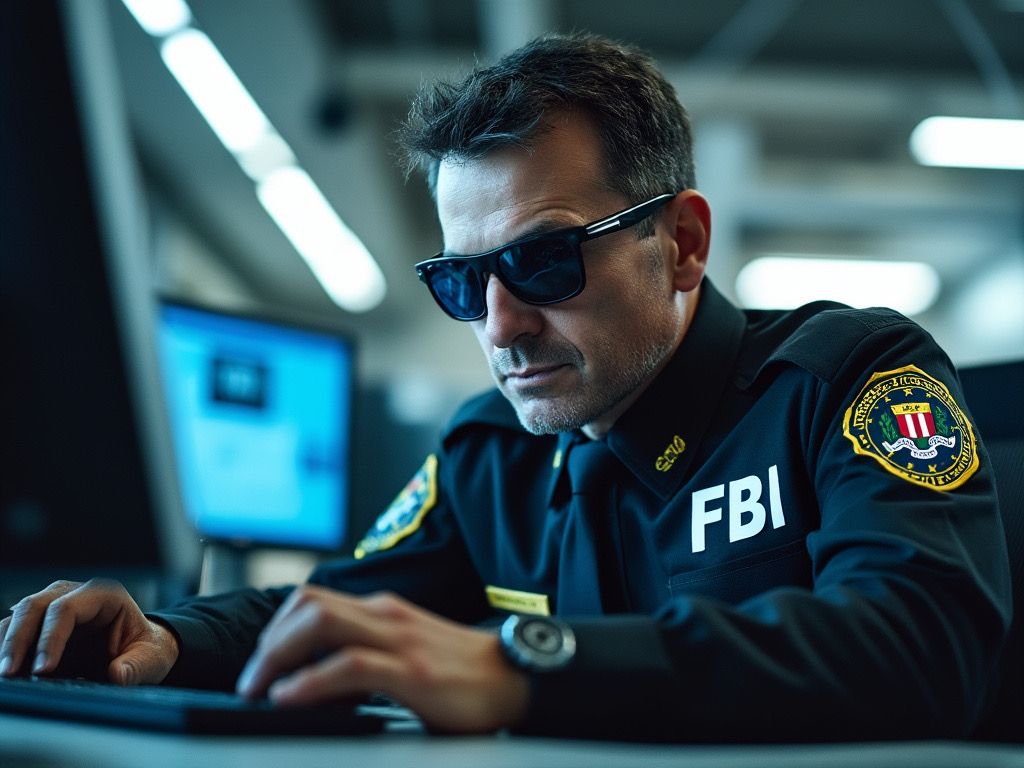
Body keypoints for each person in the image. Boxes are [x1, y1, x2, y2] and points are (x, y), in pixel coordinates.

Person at [0, 33, 1011, 742]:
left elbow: (924, 643)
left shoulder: (847, 381)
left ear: (683, 243)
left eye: (543, 262)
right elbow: (338, 609)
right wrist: (169, 639)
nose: (498, 324)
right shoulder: (489, 449)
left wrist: (523, 661)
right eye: (458, 279)